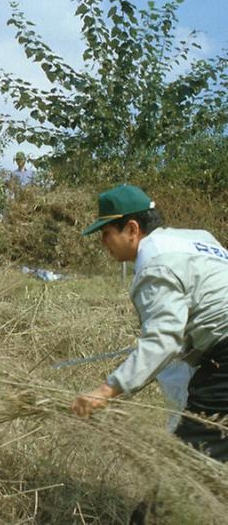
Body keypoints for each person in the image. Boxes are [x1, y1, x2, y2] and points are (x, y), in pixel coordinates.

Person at [71, 184, 228, 462]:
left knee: (188, 470)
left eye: (106, 234)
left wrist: (107, 390)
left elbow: (164, 340)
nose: (102, 243)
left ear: (132, 229)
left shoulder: (154, 264)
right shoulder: (198, 238)